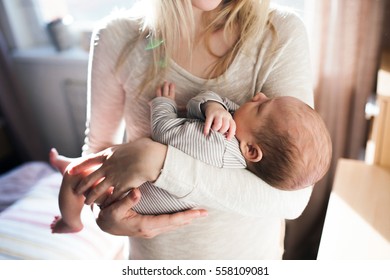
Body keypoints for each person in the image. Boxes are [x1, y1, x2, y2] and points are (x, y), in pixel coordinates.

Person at [51, 0, 322, 259]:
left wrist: (156, 162)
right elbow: (97, 153)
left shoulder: (280, 33)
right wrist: (107, 219)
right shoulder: (117, 37)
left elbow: (293, 200)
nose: (259, 98)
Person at [50, 80, 331, 231]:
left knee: (73, 178)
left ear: (251, 151)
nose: (258, 95)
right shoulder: (239, 137)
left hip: (123, 194)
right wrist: (212, 106)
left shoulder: (218, 147)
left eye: (261, 106)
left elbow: (165, 133)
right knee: (90, 163)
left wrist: (163, 104)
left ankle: (71, 221)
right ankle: (77, 163)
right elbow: (211, 101)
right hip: (130, 177)